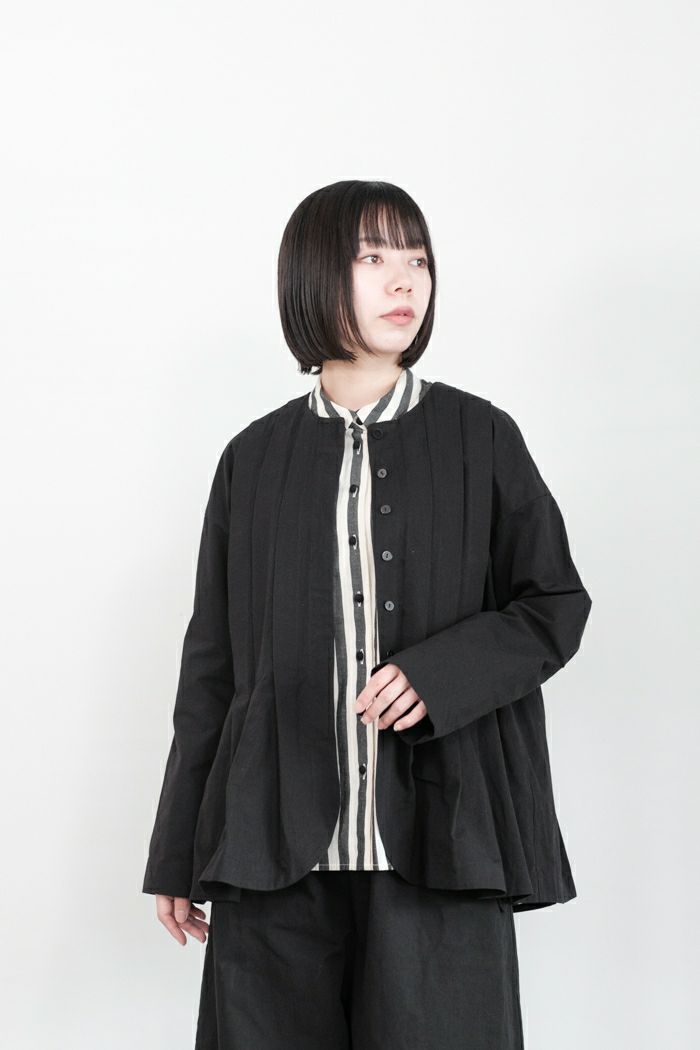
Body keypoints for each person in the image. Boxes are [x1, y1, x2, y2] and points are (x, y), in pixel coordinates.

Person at [142, 179, 592, 1049]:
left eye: (417, 258)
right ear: (314, 275)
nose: (404, 279)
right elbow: (212, 668)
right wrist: (177, 849)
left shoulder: (483, 438)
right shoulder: (252, 459)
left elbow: (553, 604)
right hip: (270, 852)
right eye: (373, 257)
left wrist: (440, 675)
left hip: (440, 845)